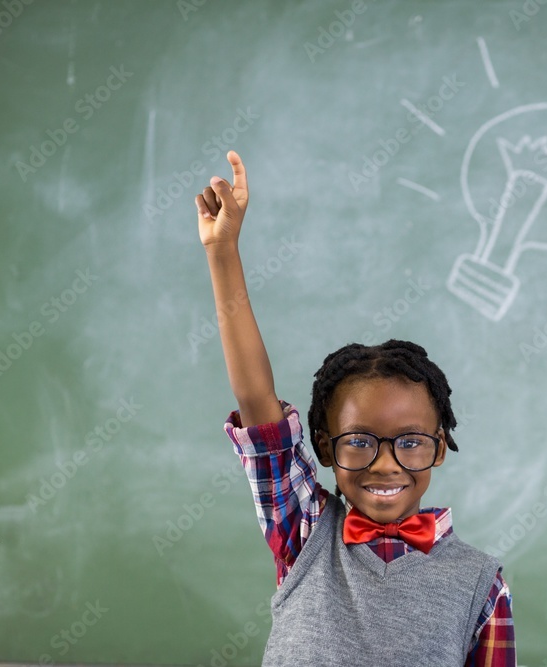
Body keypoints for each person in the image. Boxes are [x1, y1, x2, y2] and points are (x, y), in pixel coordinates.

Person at [195, 151, 516, 666]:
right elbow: (257, 402)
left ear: (440, 449)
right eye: (360, 441)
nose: (385, 464)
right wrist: (222, 251)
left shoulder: (481, 583)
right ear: (324, 447)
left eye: (410, 442)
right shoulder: (304, 534)